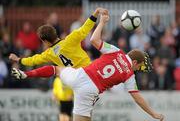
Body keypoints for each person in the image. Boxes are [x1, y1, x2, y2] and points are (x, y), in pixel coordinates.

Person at [11, 14, 164, 121]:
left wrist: (102, 22)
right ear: (135, 63)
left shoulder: (116, 51)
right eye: (141, 66)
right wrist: (153, 114)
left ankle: (26, 74)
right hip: (91, 91)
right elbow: (137, 98)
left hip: (80, 76)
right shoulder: (129, 75)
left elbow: (93, 39)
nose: (140, 69)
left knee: (56, 69)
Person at [9, 7, 108, 121]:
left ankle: (27, 73)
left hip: (78, 81)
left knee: (57, 70)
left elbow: (34, 59)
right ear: (55, 33)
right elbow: (86, 27)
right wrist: (95, 13)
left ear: (45, 41)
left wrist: (19, 60)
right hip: (92, 74)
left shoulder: (49, 54)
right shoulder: (70, 39)